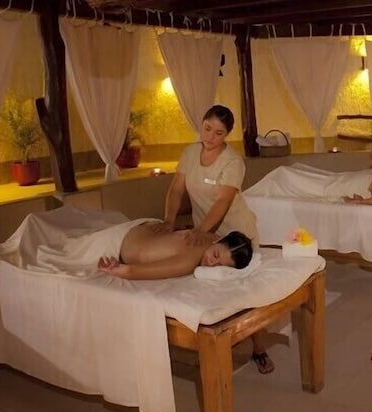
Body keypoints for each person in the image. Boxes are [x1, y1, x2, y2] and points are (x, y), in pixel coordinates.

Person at [154, 105, 274, 374]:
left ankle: (259, 349)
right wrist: (169, 221)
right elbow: (176, 190)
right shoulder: (189, 154)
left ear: (226, 134)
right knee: (210, 286)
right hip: (207, 233)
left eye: (218, 133)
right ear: (202, 124)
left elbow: (222, 202)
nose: (210, 137)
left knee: (246, 292)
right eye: (207, 129)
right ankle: (216, 340)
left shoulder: (232, 162)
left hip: (236, 233)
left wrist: (200, 231)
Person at [96, 227, 253, 280]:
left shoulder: (213, 236)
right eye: (216, 255)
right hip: (120, 240)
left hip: (144, 230)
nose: (212, 264)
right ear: (218, 241)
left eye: (220, 266)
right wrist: (112, 269)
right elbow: (131, 271)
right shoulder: (188, 261)